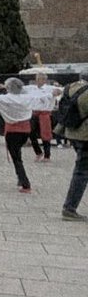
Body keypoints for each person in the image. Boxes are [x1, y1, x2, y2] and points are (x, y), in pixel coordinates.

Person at [60, 72, 88, 220]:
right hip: (85, 134)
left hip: (73, 132)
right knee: (82, 172)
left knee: (82, 170)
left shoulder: (70, 87)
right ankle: (70, 208)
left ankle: (70, 207)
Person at [24, 74, 61, 162]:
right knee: (30, 132)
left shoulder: (50, 88)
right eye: (37, 79)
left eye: (41, 79)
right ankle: (38, 152)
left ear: (45, 80)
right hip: (34, 113)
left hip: (45, 114)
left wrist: (58, 91)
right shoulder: (31, 88)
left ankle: (47, 156)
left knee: (45, 135)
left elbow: (61, 91)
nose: (38, 81)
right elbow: (20, 88)